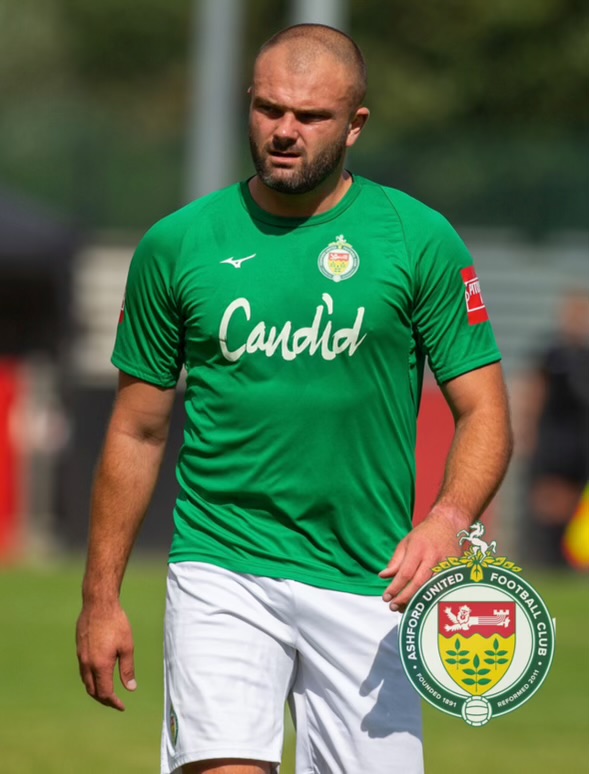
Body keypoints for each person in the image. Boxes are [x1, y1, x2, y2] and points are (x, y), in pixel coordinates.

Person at [76, 23, 512, 774]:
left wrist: (445, 521)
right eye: (269, 109)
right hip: (223, 566)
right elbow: (137, 431)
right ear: (248, 104)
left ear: (354, 125)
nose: (284, 131)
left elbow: (485, 412)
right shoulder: (177, 245)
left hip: (371, 587)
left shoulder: (418, 240)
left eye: (310, 117)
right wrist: (100, 597)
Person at [517, 289, 589, 567]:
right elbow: (537, 391)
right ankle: (547, 556)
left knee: (573, 498)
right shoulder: (551, 354)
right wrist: (528, 429)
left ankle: (567, 558)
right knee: (548, 497)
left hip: (580, 438)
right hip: (553, 436)